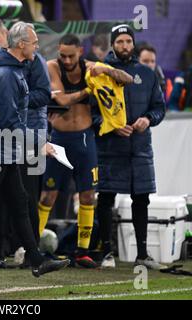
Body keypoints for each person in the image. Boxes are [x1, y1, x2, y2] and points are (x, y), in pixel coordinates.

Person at [0, 22, 70, 280]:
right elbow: (10, 121)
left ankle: (36, 260)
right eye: (33, 42)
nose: (37, 46)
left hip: (6, 148)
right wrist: (39, 142)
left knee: (20, 203)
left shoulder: (10, 69)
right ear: (21, 45)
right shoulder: (8, 75)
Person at [38, 34, 133, 268]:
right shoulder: (52, 66)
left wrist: (108, 72)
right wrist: (88, 89)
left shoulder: (92, 67)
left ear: (80, 51)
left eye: (71, 55)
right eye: (63, 55)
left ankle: (82, 251)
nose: (67, 60)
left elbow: (128, 79)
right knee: (48, 194)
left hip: (84, 138)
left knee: (88, 195)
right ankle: (33, 248)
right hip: (59, 139)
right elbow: (62, 101)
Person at [0, 17, 51, 268]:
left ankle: (30, 253)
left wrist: (21, 98)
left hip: (24, 137)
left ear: (7, 34)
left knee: (24, 198)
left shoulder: (31, 61)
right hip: (6, 140)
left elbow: (44, 95)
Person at [94, 24, 166, 269]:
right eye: (119, 41)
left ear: (133, 44)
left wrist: (149, 119)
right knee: (105, 197)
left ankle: (142, 254)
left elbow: (159, 107)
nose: (124, 46)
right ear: (112, 44)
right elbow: (91, 113)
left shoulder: (146, 74)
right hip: (109, 146)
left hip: (140, 148)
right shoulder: (101, 71)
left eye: (128, 41)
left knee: (141, 199)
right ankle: (106, 252)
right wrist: (111, 126)